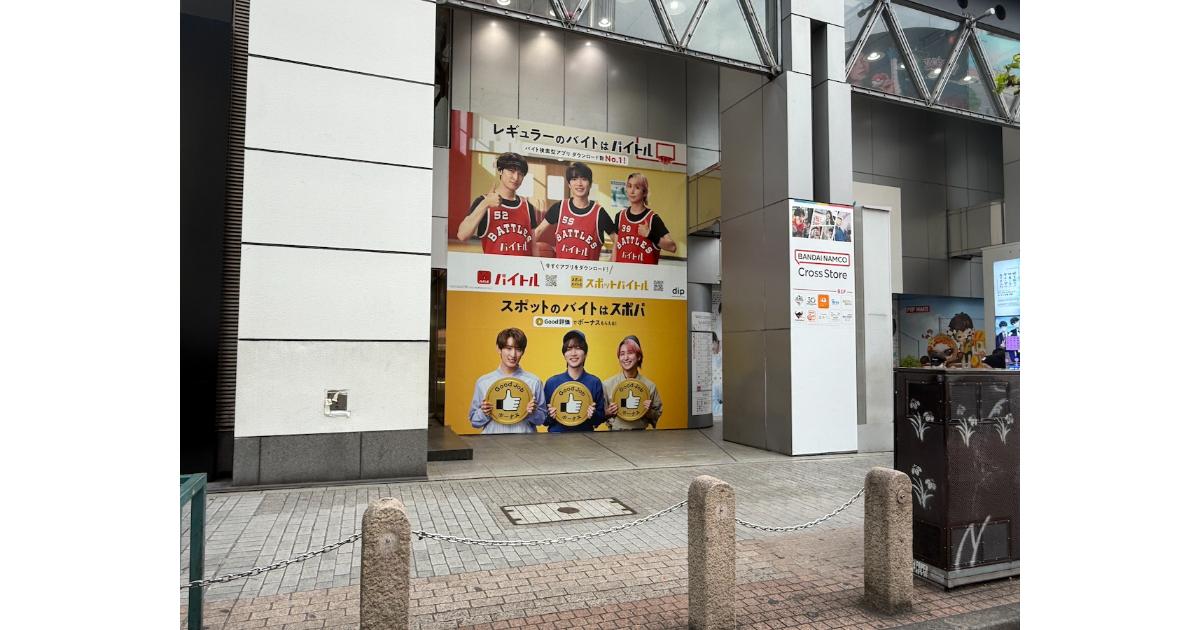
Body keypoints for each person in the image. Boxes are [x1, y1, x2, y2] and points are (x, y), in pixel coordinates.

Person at [456, 152, 537, 255]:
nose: (516, 177)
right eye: (511, 171)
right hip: (495, 265)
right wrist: (485, 204)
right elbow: (462, 235)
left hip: (522, 266)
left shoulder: (528, 207)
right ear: (500, 170)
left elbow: (533, 246)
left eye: (520, 174)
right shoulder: (483, 201)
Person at [468, 328, 547, 433]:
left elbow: (542, 419)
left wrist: (532, 413)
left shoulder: (534, 381)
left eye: (518, 349)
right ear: (499, 349)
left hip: (525, 442)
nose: (513, 354)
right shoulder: (483, 382)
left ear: (523, 352)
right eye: (508, 348)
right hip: (492, 441)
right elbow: (474, 422)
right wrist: (484, 412)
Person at [533, 162, 616, 260]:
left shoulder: (599, 213)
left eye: (584, 179)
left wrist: (611, 264)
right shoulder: (559, 207)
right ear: (569, 184)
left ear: (590, 184)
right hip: (562, 268)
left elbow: (617, 241)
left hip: (587, 269)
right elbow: (537, 232)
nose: (579, 184)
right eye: (574, 179)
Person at [543, 330, 607, 432]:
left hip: (586, 438)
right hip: (556, 438)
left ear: (585, 354)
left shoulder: (594, 382)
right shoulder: (552, 382)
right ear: (564, 354)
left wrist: (593, 415)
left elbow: (601, 418)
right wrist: (550, 416)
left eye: (578, 348)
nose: (573, 353)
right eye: (569, 349)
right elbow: (543, 420)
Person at [611, 173, 676, 264]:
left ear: (644, 192)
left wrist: (650, 234)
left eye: (637, 187)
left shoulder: (653, 219)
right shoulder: (620, 216)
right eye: (629, 186)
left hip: (645, 273)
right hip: (622, 272)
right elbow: (615, 246)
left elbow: (672, 247)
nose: (632, 191)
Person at [602, 335, 663, 430]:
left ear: (638, 356)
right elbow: (598, 416)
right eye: (622, 354)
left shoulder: (650, 386)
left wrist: (648, 412)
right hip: (615, 435)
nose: (626, 357)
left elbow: (657, 415)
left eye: (630, 353)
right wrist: (608, 413)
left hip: (641, 435)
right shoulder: (607, 385)